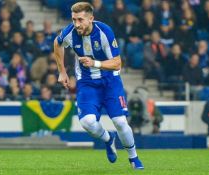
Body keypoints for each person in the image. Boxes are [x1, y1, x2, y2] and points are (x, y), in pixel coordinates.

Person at [53, 2, 143, 169]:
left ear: (91, 19)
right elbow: (57, 44)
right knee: (87, 122)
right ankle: (108, 139)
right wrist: (62, 72)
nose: (76, 24)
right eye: (74, 20)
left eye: (80, 20)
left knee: (120, 122)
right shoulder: (70, 32)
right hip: (87, 83)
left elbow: (117, 63)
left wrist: (95, 63)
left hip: (110, 82)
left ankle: (133, 157)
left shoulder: (104, 32)